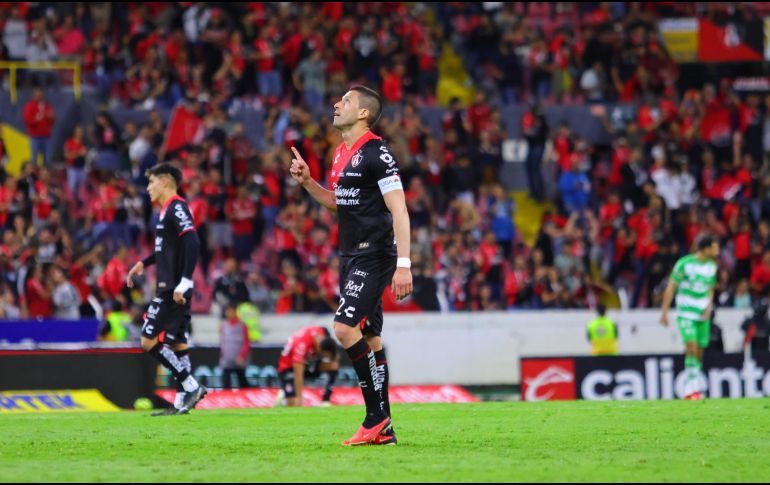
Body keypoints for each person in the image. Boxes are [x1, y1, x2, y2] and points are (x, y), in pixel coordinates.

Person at [289, 85, 413, 446]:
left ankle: (375, 417)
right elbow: (337, 204)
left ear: (363, 113)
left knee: (344, 328)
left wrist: (403, 264)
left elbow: (399, 209)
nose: (336, 104)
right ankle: (384, 427)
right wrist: (307, 182)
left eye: (345, 101)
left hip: (374, 253)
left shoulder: (378, 152)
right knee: (371, 337)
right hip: (350, 255)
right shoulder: (341, 153)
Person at [126, 163, 207, 415]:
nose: (148, 188)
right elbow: (168, 248)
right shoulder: (167, 211)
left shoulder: (177, 207)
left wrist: (184, 281)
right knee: (178, 343)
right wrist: (145, 262)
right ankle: (182, 402)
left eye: (151, 182)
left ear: (164, 182)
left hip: (172, 289)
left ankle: (190, 385)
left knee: (148, 340)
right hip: (175, 287)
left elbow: (192, 240)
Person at [660, 235, 720, 401]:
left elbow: (710, 288)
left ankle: (695, 387)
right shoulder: (684, 264)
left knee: (700, 351)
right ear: (706, 248)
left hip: (702, 315)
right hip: (686, 313)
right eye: (715, 247)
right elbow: (671, 288)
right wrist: (664, 312)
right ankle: (690, 390)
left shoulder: (711, 266)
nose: (717, 251)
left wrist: (709, 306)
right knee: (691, 347)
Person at [275, 325, 340, 408]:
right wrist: (299, 398)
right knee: (293, 403)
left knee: (333, 365)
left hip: (307, 362)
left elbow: (333, 354)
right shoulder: (301, 346)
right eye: (323, 355)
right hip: (288, 367)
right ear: (319, 349)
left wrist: (333, 359)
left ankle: (325, 401)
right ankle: (283, 396)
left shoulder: (323, 332)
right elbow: (298, 374)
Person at [219, 301, 251, 389]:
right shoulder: (224, 325)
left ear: (235, 311)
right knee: (226, 382)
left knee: (242, 381)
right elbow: (222, 342)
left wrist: (242, 356)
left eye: (230, 311)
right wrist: (222, 355)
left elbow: (246, 342)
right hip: (227, 360)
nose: (228, 313)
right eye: (227, 311)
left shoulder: (242, 325)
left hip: (238, 359)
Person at [23, 88, 55, 168]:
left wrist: (48, 116)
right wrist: (37, 119)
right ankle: (34, 179)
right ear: (34, 96)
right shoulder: (29, 106)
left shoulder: (47, 106)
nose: (39, 97)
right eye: (37, 95)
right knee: (34, 160)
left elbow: (52, 121)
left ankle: (46, 178)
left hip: (46, 137)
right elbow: (28, 121)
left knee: (47, 161)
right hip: (35, 137)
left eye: (40, 95)